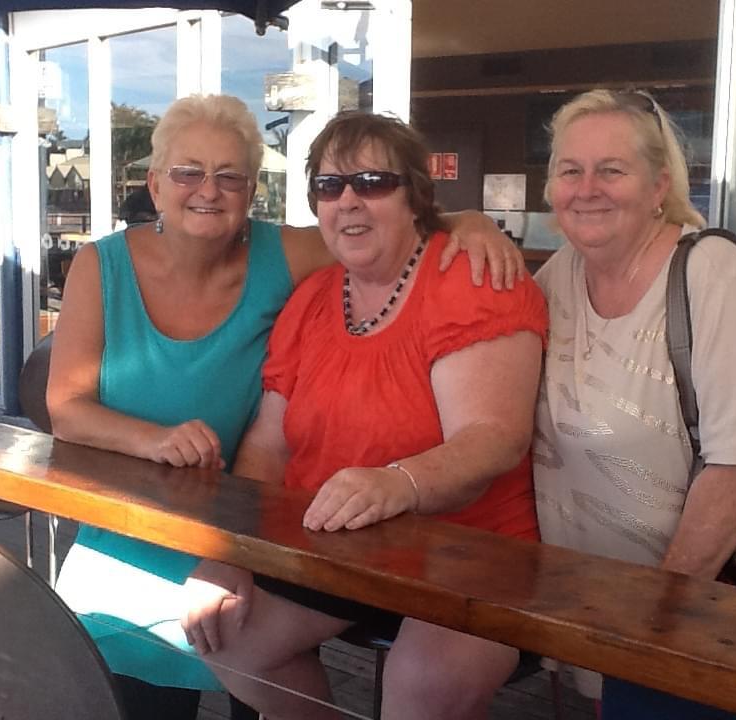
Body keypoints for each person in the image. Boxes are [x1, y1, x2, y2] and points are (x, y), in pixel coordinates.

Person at [46, 95, 523, 720]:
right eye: (188, 173)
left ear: (251, 192)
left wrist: (471, 223)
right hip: (158, 523)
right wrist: (155, 442)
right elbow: (66, 408)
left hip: (273, 523)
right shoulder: (104, 264)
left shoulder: (292, 258)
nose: (208, 191)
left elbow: (389, 234)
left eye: (230, 177)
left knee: (290, 669)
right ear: (156, 185)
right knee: (157, 679)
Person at [179, 111, 548, 720]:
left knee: (421, 684)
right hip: (335, 546)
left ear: (415, 198)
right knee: (230, 637)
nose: (348, 200)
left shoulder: (471, 277)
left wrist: (396, 482)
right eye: (329, 186)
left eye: (373, 182)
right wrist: (230, 551)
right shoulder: (313, 299)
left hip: (469, 551)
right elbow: (269, 445)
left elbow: (493, 439)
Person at [531, 89, 736, 719]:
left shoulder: (710, 272)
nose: (587, 188)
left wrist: (657, 626)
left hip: (705, 625)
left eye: (612, 170)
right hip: (592, 615)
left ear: (659, 184)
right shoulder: (556, 278)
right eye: (569, 170)